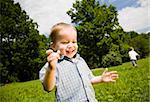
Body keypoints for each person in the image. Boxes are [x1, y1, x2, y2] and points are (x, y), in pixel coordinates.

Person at [39, 22, 118, 102]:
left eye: (74, 42)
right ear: (54, 46)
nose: (70, 45)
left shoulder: (80, 60)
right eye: (65, 42)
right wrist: (51, 68)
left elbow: (89, 79)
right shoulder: (53, 64)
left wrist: (101, 79)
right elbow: (48, 88)